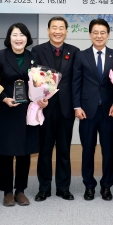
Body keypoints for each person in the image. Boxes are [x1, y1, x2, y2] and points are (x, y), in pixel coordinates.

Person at [0, 23, 47, 206]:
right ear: (9, 38)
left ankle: (20, 190)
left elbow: (40, 83)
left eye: (22, 35)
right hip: (6, 109)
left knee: (24, 152)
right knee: (6, 153)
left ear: (27, 38)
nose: (18, 38)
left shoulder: (34, 57)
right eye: (15, 35)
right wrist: (4, 98)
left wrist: (43, 99)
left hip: (27, 111)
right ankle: (7, 191)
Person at [72, 18, 113, 201]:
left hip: (109, 110)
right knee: (87, 150)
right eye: (95, 32)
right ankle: (89, 185)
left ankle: (107, 185)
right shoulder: (81, 55)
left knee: (108, 151)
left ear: (108, 35)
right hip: (87, 111)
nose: (99, 36)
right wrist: (77, 106)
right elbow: (75, 83)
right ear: (90, 34)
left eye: (102, 32)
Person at [33, 16, 79, 201]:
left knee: (64, 150)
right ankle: (44, 188)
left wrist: (77, 106)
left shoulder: (74, 51)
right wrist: (38, 99)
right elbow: (33, 79)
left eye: (61, 28)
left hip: (66, 109)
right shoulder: (37, 51)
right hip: (45, 108)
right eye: (54, 27)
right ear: (48, 30)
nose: (57, 31)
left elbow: (76, 81)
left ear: (66, 31)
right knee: (44, 150)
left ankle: (63, 188)